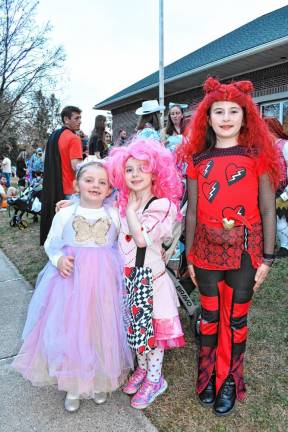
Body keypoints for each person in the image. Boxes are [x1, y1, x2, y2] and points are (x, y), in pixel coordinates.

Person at [177, 77, 278, 416]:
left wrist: (268, 258)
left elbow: (267, 209)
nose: (225, 117)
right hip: (205, 251)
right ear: (207, 117)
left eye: (233, 111)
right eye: (218, 111)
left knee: (236, 319)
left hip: (246, 252)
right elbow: (191, 212)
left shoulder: (257, 156)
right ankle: (207, 375)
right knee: (209, 318)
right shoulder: (197, 158)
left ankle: (231, 380)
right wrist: (189, 255)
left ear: (245, 116)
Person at [12, 160, 133, 412]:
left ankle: (100, 379)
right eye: (89, 180)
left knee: (101, 329)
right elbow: (51, 243)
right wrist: (58, 260)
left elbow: (124, 241)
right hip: (71, 283)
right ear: (76, 185)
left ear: (111, 188)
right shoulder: (65, 213)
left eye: (102, 182)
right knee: (72, 331)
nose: (95, 186)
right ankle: (74, 385)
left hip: (103, 284)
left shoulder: (114, 215)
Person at [108, 138, 185, 410]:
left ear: (156, 171)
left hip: (151, 283)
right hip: (130, 281)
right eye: (129, 169)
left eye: (143, 168)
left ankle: (155, 379)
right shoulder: (122, 204)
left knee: (152, 333)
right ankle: (142, 370)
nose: (135, 174)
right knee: (137, 331)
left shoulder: (161, 205)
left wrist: (129, 209)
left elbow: (141, 239)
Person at [40, 105, 83, 245]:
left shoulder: (54, 136)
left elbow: (44, 159)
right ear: (66, 119)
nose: (80, 121)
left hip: (54, 189)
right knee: (73, 227)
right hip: (71, 190)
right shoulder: (74, 138)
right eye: (76, 118)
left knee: (60, 225)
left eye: (80, 118)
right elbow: (76, 166)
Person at [264, 117, 288, 258]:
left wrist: (286, 192)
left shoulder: (284, 145)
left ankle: (285, 246)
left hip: (283, 189)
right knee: (270, 218)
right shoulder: (263, 149)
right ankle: (271, 245)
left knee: (281, 218)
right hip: (268, 189)